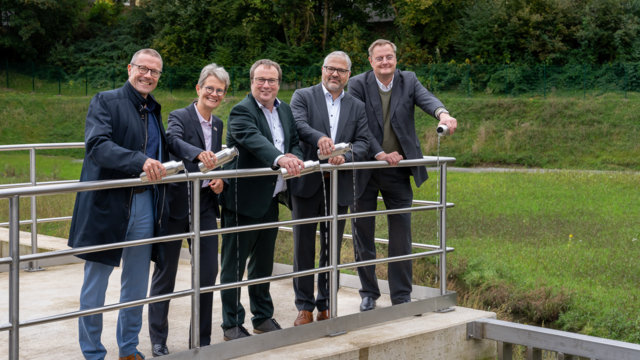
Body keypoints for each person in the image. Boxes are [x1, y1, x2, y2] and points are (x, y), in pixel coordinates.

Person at [67, 48, 169, 360]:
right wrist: (140, 161)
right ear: (130, 68)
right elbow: (97, 146)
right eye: (142, 68)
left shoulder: (153, 109)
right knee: (95, 284)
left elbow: (160, 151)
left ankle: (128, 348)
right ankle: (93, 352)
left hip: (143, 207)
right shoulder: (105, 100)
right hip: (107, 205)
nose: (147, 75)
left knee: (136, 284)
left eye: (154, 71)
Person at [348, 39, 458, 312]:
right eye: (379, 58)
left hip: (397, 170)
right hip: (363, 168)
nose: (385, 62)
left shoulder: (408, 80)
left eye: (389, 57)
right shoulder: (358, 84)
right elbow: (359, 125)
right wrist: (379, 154)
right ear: (370, 61)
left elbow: (427, 99)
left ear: (396, 59)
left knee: (401, 234)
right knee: (363, 233)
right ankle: (369, 293)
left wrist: (443, 114)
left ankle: (401, 296)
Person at [219, 59, 304, 340]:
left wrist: (295, 158)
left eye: (272, 80)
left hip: (271, 197)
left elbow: (294, 143)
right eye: (261, 80)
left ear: (279, 83)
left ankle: (262, 317)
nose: (266, 85)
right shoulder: (241, 111)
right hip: (242, 201)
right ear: (251, 82)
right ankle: (231, 324)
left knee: (263, 263)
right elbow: (254, 139)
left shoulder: (286, 110)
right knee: (234, 265)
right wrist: (281, 159)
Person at [147, 63, 229, 356]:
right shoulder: (179, 115)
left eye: (219, 91)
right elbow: (173, 140)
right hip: (176, 205)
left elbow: (215, 163)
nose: (214, 94)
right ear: (198, 89)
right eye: (209, 88)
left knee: (207, 273)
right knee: (165, 274)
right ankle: (158, 340)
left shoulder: (218, 124)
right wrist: (198, 154)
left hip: (205, 204)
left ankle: (201, 339)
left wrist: (218, 179)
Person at [288, 51, 369, 326]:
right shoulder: (302, 96)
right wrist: (321, 138)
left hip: (338, 185)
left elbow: (364, 143)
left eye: (341, 71)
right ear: (322, 70)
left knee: (331, 247)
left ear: (348, 75)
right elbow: (297, 125)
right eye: (330, 69)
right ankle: (304, 307)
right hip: (307, 182)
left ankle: (325, 304)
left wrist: (345, 156)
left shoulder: (357, 106)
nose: (335, 74)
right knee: (303, 246)